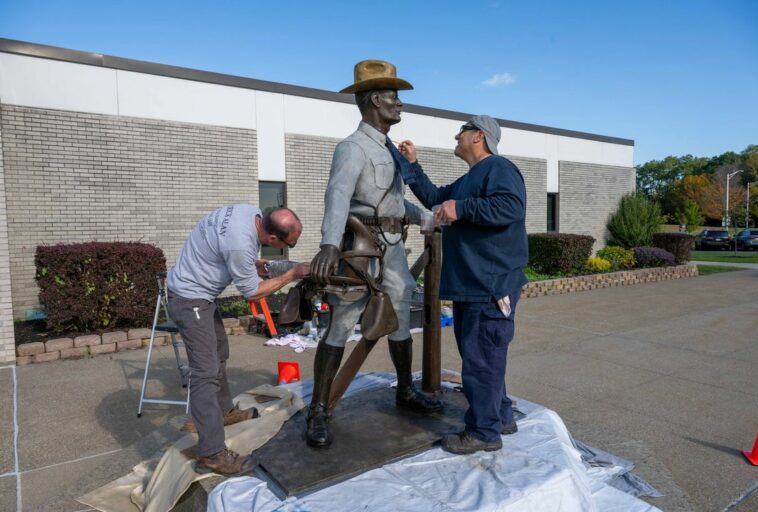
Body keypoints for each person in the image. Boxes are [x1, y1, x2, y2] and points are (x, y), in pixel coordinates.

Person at [306, 60, 443, 448]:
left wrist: (431, 217)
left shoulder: (388, 150)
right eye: (394, 97)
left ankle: (404, 390)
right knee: (341, 324)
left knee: (401, 320)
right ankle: (319, 408)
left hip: (395, 250)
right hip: (360, 251)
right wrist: (330, 244)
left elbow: (394, 203)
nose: (400, 105)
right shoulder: (352, 148)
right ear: (374, 100)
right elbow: (337, 196)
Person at [398, 115, 528, 455]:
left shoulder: (499, 168)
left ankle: (484, 433)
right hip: (473, 283)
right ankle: (500, 415)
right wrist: (412, 166)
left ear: (478, 137)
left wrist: (463, 207)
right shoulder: (471, 178)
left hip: (489, 283)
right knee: (485, 355)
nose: (456, 136)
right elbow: (435, 198)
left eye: (462, 131)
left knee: (481, 358)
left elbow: (510, 207)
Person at [166, 205, 309, 474]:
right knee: (205, 372)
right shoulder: (240, 246)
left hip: (199, 295)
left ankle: (223, 413)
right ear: (272, 238)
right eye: (287, 244)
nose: (286, 249)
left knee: (219, 351)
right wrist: (291, 275)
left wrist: (254, 265)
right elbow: (252, 293)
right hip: (189, 299)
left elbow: (223, 251)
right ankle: (211, 454)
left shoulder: (249, 213)